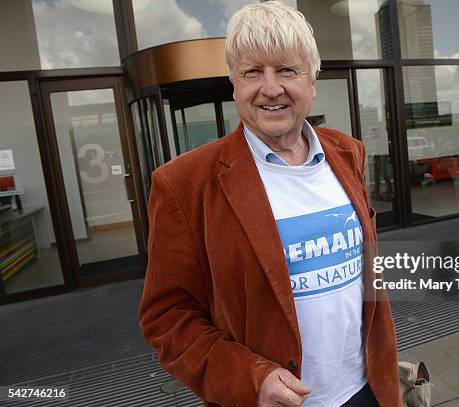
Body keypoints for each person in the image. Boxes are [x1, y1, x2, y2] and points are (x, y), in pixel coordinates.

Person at [138, 2, 400, 406]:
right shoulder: (184, 184)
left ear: (312, 81)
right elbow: (167, 319)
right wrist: (250, 379)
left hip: (366, 390)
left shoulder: (347, 153)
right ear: (234, 84)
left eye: (287, 70)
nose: (271, 88)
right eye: (252, 72)